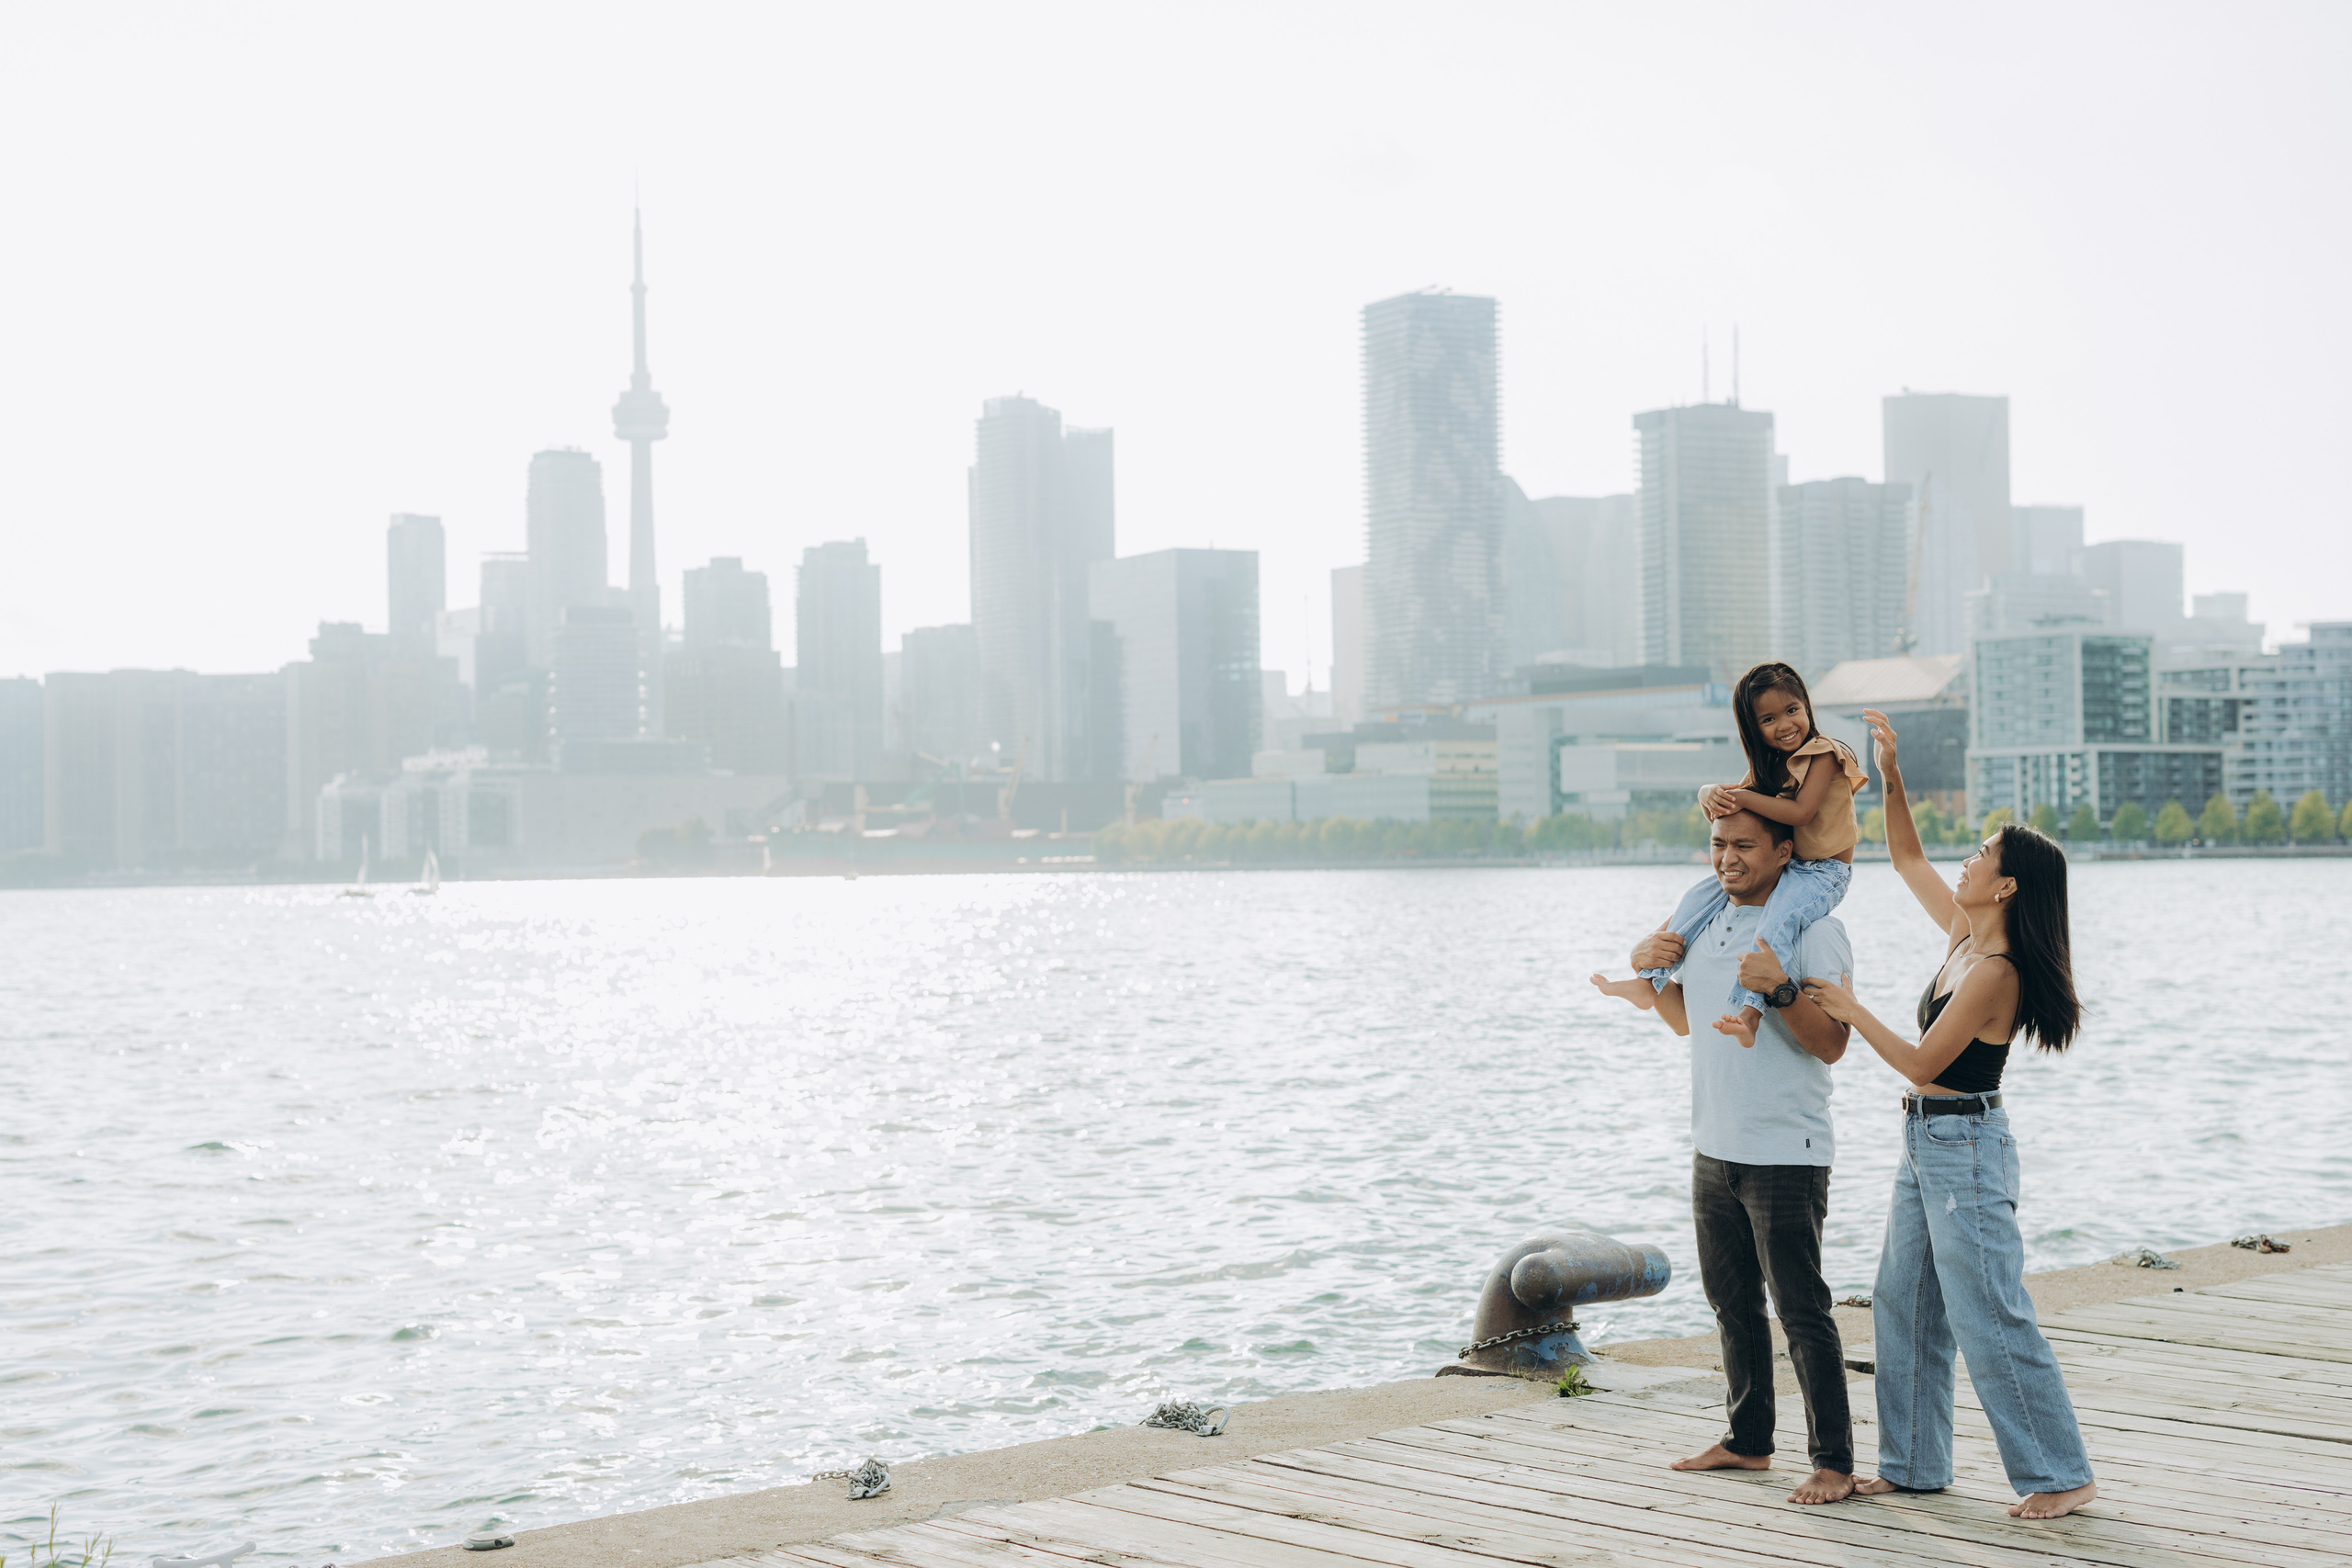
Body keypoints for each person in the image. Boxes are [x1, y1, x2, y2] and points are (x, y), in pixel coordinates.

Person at [1796, 708, 2098, 1521]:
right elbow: (1904, 855)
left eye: (1981, 855)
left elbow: (1928, 1063)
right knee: (1904, 1301)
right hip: (1927, 1141)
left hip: (1965, 1141)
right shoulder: (1966, 933)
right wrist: (1890, 775)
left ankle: (2060, 1471)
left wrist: (1852, 1012)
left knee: (1987, 1310)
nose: (1965, 861)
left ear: (2005, 885)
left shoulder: (1997, 969)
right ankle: (1914, 1462)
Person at [1589, 806, 1858, 1505]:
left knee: (1802, 1311)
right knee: (1732, 1304)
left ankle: (1833, 1461)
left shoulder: (1815, 930)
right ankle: (1748, 1441)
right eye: (1717, 844)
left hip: (1785, 1151)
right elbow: (1684, 1020)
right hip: (1714, 1145)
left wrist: (1779, 987)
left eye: (1744, 845)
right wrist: (1650, 976)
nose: (1726, 858)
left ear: (1784, 850)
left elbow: (1832, 1043)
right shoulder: (1707, 921)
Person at [1591, 662, 1868, 1049]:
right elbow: (1730, 813)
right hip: (1790, 869)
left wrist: (1741, 795)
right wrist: (1707, 792)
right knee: (1696, 897)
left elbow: (1801, 813)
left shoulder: (1823, 753)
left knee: (1773, 927)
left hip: (1823, 873)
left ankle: (1750, 1013)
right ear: (1753, 729)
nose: (1785, 724)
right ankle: (1648, 981)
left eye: (1792, 711)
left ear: (1807, 707)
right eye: (1768, 719)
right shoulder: (1770, 769)